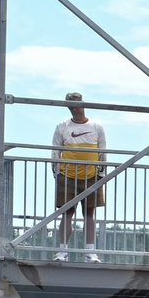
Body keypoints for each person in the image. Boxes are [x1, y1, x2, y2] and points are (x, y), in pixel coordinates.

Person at [52, 93, 106, 262]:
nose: (74, 109)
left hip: (91, 176)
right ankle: (63, 251)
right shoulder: (62, 127)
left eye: (76, 105)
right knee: (67, 213)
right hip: (67, 175)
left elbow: (103, 151)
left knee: (89, 213)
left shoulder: (97, 127)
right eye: (70, 106)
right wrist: (57, 172)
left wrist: (101, 174)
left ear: (83, 105)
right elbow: (55, 151)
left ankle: (90, 251)